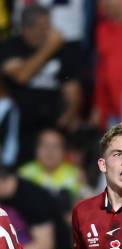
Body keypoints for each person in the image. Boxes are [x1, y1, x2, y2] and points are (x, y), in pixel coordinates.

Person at [0, 4, 83, 163]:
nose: (48, 33)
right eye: (42, 27)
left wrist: (70, 113)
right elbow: (22, 75)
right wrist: (48, 48)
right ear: (26, 29)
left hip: (54, 124)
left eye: (48, 26)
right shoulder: (10, 47)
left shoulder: (63, 50)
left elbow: (72, 86)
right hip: (21, 126)